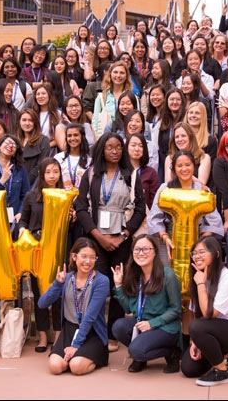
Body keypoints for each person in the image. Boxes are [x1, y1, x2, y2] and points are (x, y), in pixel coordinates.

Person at [73, 133, 147, 352]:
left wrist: (122, 236)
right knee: (95, 285)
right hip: (95, 239)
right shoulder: (92, 174)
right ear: (101, 150)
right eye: (109, 147)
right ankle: (93, 331)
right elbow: (80, 207)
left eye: (118, 147)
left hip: (121, 240)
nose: (115, 151)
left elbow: (141, 208)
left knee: (117, 285)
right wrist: (99, 236)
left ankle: (113, 332)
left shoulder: (131, 175)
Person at [181, 236, 228, 386]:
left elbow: (209, 314)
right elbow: (197, 314)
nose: (197, 256)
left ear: (216, 254)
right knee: (188, 368)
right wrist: (195, 341)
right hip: (215, 328)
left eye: (202, 252)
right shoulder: (199, 277)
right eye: (194, 253)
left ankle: (222, 371)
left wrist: (201, 283)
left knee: (197, 326)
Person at [111, 234, 183, 373]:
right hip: (143, 322)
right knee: (118, 327)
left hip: (165, 327)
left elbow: (176, 310)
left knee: (135, 350)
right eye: (137, 250)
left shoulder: (167, 275)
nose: (141, 253)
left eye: (146, 249)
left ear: (155, 251)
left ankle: (172, 352)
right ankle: (141, 356)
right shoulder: (134, 275)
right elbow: (128, 308)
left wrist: (152, 323)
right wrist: (119, 285)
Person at [38, 237, 110, 375]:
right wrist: (57, 284)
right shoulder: (66, 278)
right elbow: (42, 303)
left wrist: (76, 345)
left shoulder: (101, 281)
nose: (88, 262)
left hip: (92, 332)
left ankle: (92, 356)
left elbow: (90, 316)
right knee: (55, 367)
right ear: (74, 257)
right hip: (69, 330)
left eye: (92, 257)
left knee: (76, 367)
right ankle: (74, 357)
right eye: (84, 256)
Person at [19, 158, 67, 353]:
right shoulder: (32, 196)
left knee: (57, 294)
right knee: (39, 294)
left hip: (57, 250)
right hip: (37, 250)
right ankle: (42, 336)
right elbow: (23, 220)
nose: (52, 176)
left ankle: (57, 335)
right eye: (48, 172)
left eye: (55, 172)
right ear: (41, 174)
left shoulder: (64, 195)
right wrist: (23, 232)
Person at [149, 150, 224, 265]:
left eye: (188, 165)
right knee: (168, 275)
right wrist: (165, 237)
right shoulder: (165, 189)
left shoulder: (202, 190)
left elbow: (214, 221)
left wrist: (200, 242)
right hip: (169, 238)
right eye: (179, 166)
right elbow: (154, 217)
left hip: (197, 238)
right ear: (174, 168)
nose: (184, 169)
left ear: (194, 166)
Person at [0, 133, 30, 230]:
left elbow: (25, 195)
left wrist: (21, 212)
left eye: (14, 145)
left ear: (16, 152)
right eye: (7, 142)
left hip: (15, 216)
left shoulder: (20, 170)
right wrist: (1, 182)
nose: (10, 146)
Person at [92, 61, 134, 138]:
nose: (118, 75)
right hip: (105, 137)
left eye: (122, 73)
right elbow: (95, 122)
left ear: (126, 76)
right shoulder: (101, 97)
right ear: (110, 74)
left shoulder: (132, 97)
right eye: (115, 72)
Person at [15, 108, 50, 187]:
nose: (27, 123)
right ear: (19, 122)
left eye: (30, 120)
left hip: (34, 184)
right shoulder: (14, 140)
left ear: (35, 122)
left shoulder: (43, 140)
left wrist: (25, 182)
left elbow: (40, 165)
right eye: (24, 120)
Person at [126, 133, 160, 212]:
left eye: (141, 146)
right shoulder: (120, 171)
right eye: (133, 145)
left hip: (145, 218)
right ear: (126, 147)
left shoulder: (151, 173)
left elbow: (154, 203)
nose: (137, 149)